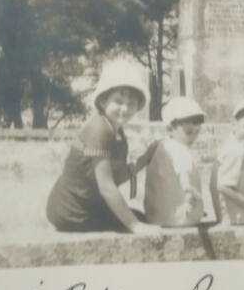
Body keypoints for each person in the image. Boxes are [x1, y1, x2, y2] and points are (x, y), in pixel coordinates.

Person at [46, 61, 161, 236]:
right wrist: (136, 226)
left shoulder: (116, 133)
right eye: (119, 101)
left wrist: (146, 158)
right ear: (102, 101)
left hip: (87, 205)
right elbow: (107, 188)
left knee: (146, 218)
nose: (125, 108)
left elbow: (115, 178)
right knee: (141, 223)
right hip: (72, 211)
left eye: (132, 103)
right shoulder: (98, 132)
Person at [143, 97, 206, 226]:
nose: (193, 136)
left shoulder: (160, 145)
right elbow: (182, 170)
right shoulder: (179, 149)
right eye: (188, 132)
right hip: (179, 219)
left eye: (197, 132)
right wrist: (188, 189)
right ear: (169, 128)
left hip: (156, 217)